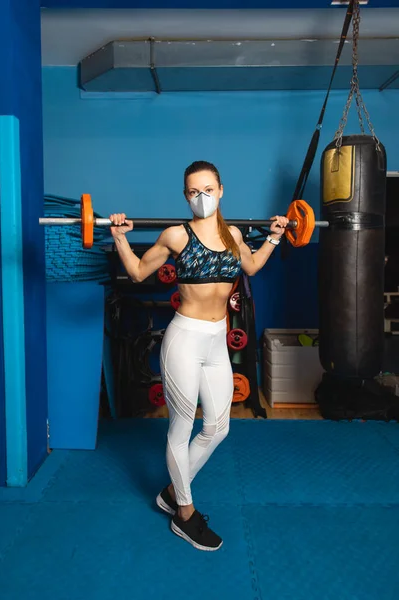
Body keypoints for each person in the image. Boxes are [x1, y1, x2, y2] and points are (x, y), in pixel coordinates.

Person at [110, 160, 288, 552]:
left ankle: (173, 491)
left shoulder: (234, 233)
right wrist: (121, 237)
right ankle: (184, 515)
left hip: (216, 339)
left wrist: (274, 237)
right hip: (185, 338)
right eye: (193, 191)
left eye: (208, 189)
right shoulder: (175, 235)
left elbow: (253, 266)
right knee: (181, 425)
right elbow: (139, 272)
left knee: (218, 427)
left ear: (221, 190)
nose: (201, 197)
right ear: (186, 196)